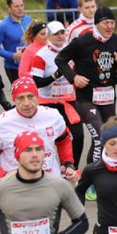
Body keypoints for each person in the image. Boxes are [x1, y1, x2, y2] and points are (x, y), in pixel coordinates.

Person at [55, 6, 117, 199]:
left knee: (108, 136)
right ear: (96, 23)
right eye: (105, 23)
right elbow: (61, 59)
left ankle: (101, 176)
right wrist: (73, 77)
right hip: (86, 98)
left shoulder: (116, 40)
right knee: (100, 136)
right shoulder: (82, 41)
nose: (109, 26)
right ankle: (92, 182)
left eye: (112, 23)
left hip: (108, 96)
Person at [0, 77, 77, 184]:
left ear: (37, 96)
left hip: (51, 184)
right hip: (17, 188)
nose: (26, 103)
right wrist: (3, 176)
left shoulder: (53, 116)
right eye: (20, 98)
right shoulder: (0, 123)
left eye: (30, 96)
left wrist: (68, 164)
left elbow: (64, 140)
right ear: (14, 99)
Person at [28, 21, 84, 169]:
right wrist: (54, 76)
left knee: (78, 136)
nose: (60, 36)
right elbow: (36, 82)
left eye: (62, 33)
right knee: (50, 138)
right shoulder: (41, 55)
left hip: (68, 101)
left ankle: (72, 168)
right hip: (48, 103)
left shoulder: (70, 50)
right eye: (56, 34)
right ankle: (48, 169)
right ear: (48, 36)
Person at [0, 0, 31, 85]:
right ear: (9, 8)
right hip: (14, 67)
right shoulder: (3, 26)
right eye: (16, 6)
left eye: (21, 5)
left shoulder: (28, 20)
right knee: (21, 94)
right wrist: (12, 55)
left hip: (31, 63)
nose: (20, 8)